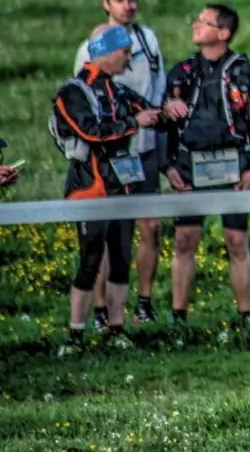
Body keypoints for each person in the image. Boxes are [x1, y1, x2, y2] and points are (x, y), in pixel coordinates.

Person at [73, 0, 182, 326]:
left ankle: (144, 302)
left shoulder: (148, 39)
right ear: (107, 4)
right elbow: (83, 97)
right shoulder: (91, 45)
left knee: (149, 225)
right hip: (111, 153)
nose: (128, 5)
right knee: (108, 232)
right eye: (120, 0)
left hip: (146, 148)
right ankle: (103, 310)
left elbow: (160, 86)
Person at [52, 25, 165, 347]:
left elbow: (146, 110)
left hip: (121, 185)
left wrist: (165, 113)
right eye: (125, 53)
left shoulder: (116, 89)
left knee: (120, 256)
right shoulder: (72, 92)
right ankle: (75, 335)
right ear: (106, 52)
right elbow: (91, 132)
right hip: (89, 187)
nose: (129, 61)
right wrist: (134, 123)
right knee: (90, 260)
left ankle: (116, 329)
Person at [164, 3, 250, 327]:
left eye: (204, 21)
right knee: (185, 239)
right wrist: (168, 166)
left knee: (237, 240)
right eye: (196, 19)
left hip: (233, 165)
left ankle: (245, 316)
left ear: (223, 33)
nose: (196, 25)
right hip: (189, 165)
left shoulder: (245, 72)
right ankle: (178, 316)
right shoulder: (182, 73)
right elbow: (164, 125)